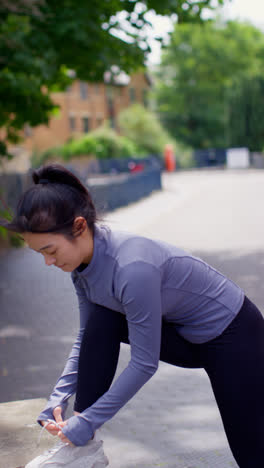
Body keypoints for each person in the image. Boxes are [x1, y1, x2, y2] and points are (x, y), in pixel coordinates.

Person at [2, 163, 264, 468]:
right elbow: (89, 338)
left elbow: (144, 363)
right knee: (102, 319)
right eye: (40, 254)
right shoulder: (81, 269)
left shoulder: (132, 267)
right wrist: (57, 398)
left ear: (79, 227)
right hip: (186, 336)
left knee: (251, 453)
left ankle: (84, 431)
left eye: (51, 250)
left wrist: (90, 418)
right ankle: (83, 449)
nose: (48, 262)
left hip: (234, 336)